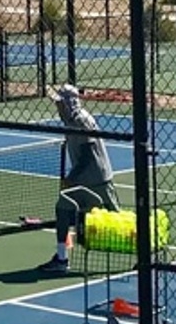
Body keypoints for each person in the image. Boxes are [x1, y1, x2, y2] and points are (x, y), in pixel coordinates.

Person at [38, 84, 119, 274]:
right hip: (85, 179)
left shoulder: (80, 121)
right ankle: (61, 257)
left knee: (117, 219)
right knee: (63, 209)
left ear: (68, 103)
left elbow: (88, 155)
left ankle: (143, 255)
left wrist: (71, 178)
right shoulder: (71, 120)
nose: (57, 107)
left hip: (97, 178)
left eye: (60, 104)